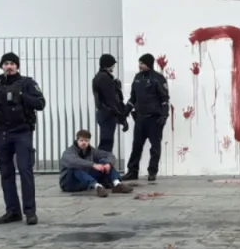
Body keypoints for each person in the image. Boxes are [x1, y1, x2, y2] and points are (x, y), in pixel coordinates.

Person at [0, 52, 46, 225]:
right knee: (6, 174)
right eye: (6, 63)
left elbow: (40, 103)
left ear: (17, 66)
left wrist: (22, 96)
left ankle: (30, 212)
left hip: (22, 133)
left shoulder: (27, 83)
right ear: (1, 66)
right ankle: (12, 211)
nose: (9, 66)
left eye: (12, 63)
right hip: (1, 134)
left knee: (25, 170)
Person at [123, 53, 170, 182]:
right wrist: (125, 112)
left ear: (148, 64)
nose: (140, 65)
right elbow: (133, 98)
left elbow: (164, 98)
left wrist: (164, 115)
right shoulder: (137, 78)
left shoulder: (158, 78)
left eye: (142, 63)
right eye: (139, 63)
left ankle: (152, 171)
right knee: (136, 146)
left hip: (154, 119)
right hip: (140, 118)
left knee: (155, 146)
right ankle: (132, 171)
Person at [59, 129, 133, 196]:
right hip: (69, 183)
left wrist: (108, 164)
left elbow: (109, 155)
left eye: (86, 140)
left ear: (89, 141)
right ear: (77, 140)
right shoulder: (69, 152)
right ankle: (97, 186)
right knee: (74, 168)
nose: (84, 143)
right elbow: (73, 161)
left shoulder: (92, 151)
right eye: (81, 140)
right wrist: (93, 165)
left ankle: (117, 184)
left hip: (84, 182)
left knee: (104, 161)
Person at [92, 53, 129, 154]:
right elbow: (112, 100)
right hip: (107, 114)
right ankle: (103, 166)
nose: (113, 68)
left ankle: (104, 165)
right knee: (106, 143)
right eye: (112, 65)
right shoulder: (104, 78)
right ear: (107, 65)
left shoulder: (100, 77)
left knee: (106, 142)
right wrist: (121, 116)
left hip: (104, 113)